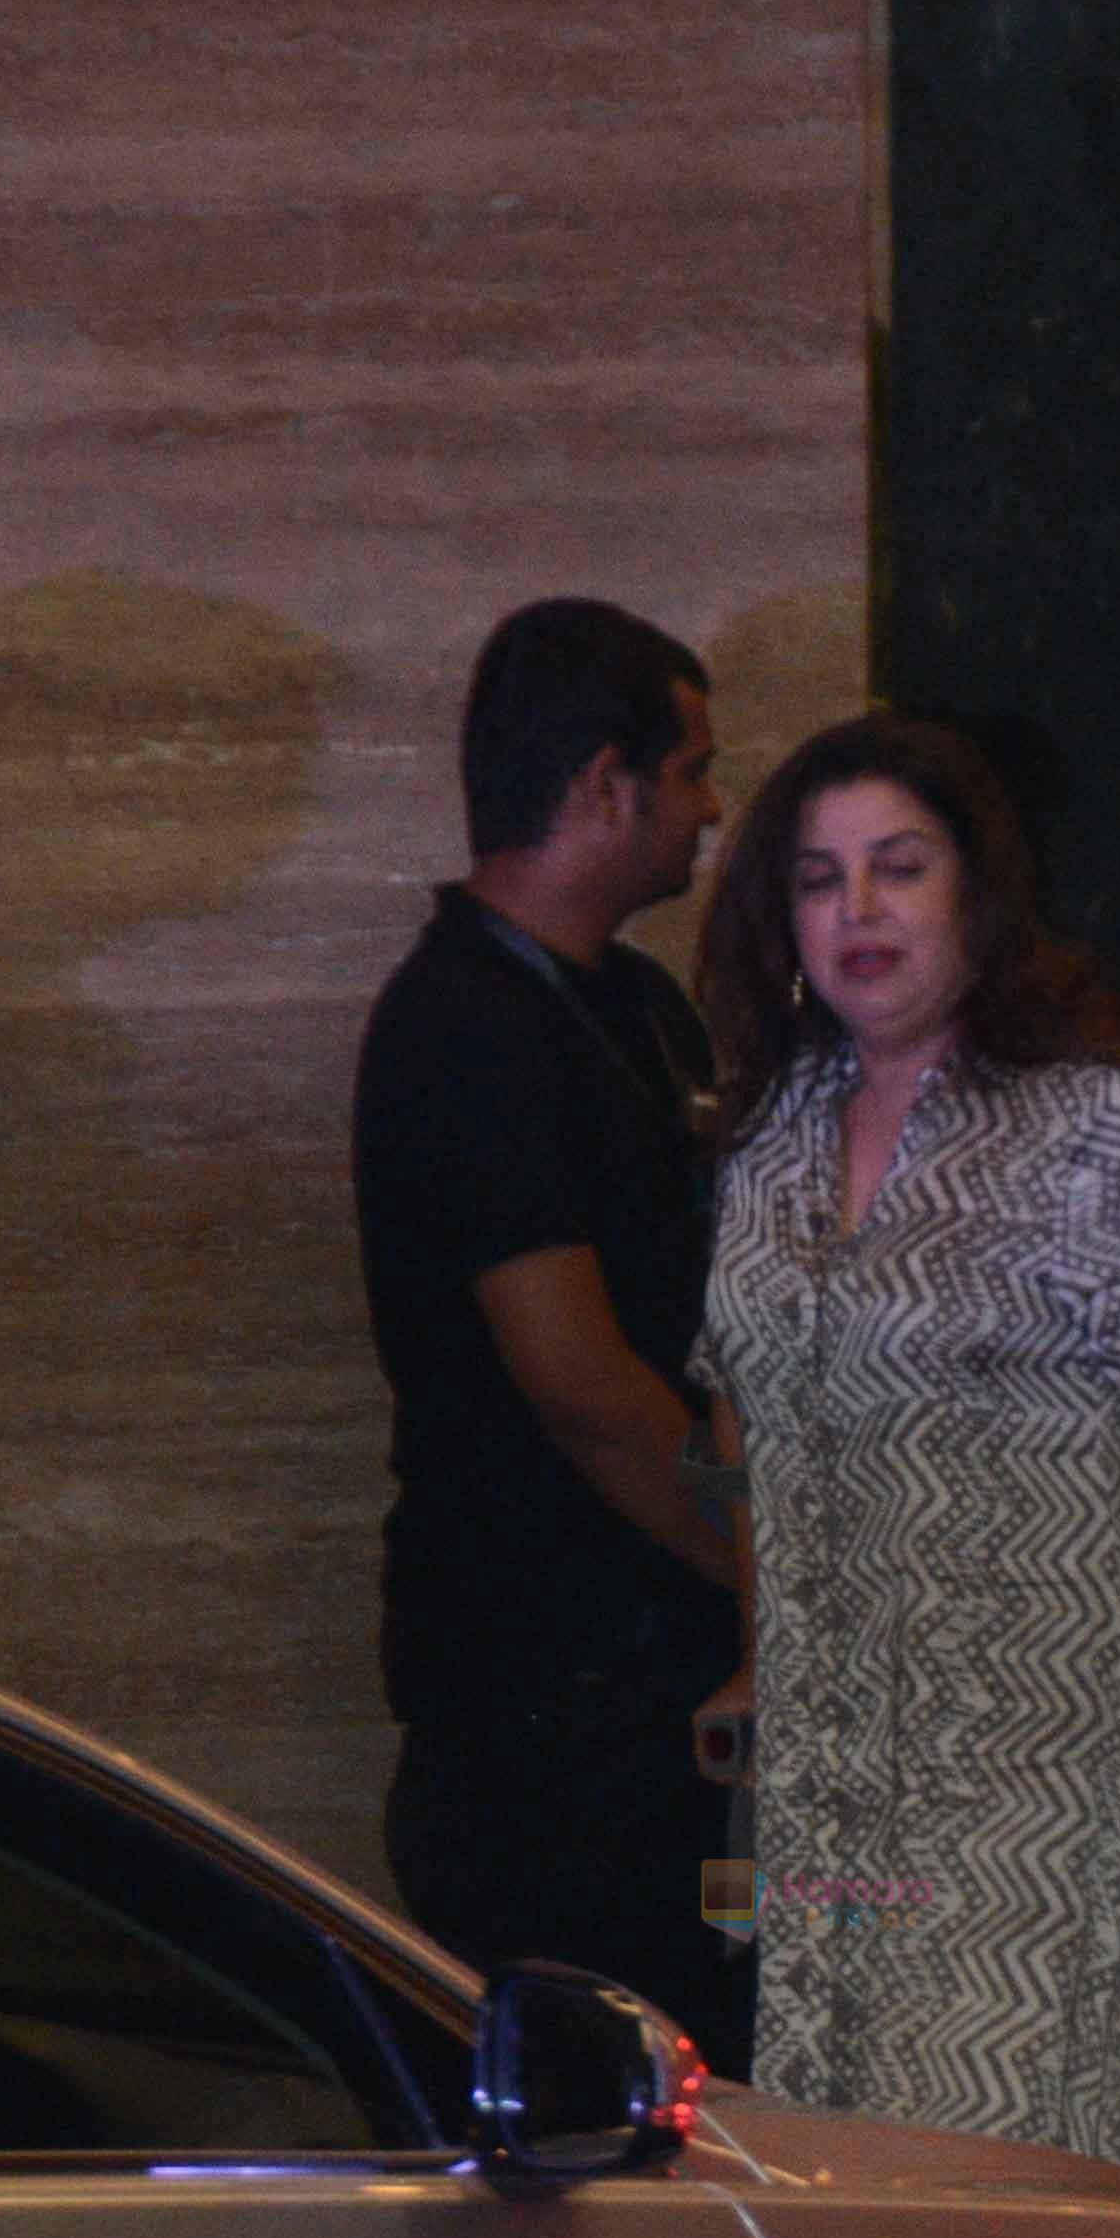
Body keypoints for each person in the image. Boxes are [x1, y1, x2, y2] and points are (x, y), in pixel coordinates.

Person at [690, 712, 1120, 2206]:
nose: (860, 913)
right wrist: (770, 1658)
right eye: (823, 881)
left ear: (978, 893)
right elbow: (748, 1410)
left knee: (1026, 2233)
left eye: (900, 869)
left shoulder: (1102, 1124)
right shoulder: (772, 1136)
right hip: (841, 1805)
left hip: (1059, 1794)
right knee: (851, 2213)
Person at [350, 598, 751, 2062]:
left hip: (664, 1709)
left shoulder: (638, 1007)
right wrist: (787, 1572)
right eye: (694, 769)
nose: (714, 812)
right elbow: (583, 1385)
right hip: (547, 1725)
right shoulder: (463, 1027)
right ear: (604, 783)